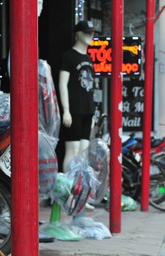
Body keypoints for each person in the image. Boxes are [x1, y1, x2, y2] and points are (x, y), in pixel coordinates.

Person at [58, 20, 96, 172]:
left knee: (83, 150)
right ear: (78, 34)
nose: (90, 36)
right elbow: (62, 84)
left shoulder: (89, 59)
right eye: (87, 33)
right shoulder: (69, 57)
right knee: (72, 150)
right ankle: (68, 185)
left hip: (88, 110)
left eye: (92, 33)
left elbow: (91, 86)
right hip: (74, 110)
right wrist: (66, 110)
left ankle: (80, 186)